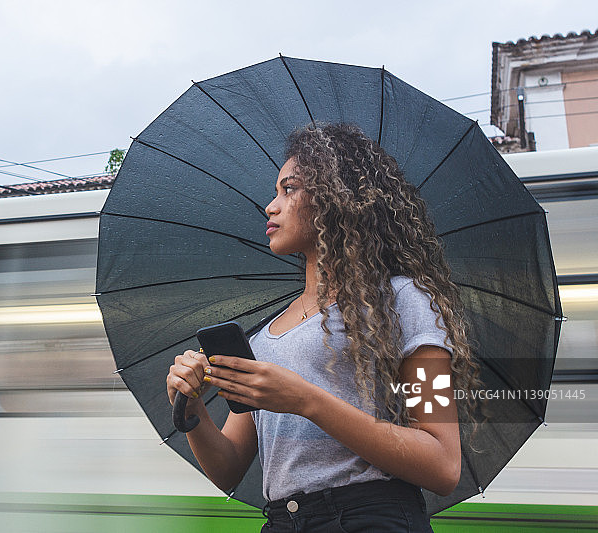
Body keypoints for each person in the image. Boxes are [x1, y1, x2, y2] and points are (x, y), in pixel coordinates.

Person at [166, 122, 482, 532]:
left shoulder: (405, 300)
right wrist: (191, 412)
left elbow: (443, 463)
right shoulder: (263, 337)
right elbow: (227, 469)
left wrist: (305, 400)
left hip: (370, 518)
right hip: (282, 521)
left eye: (289, 189)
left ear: (336, 198)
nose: (271, 206)